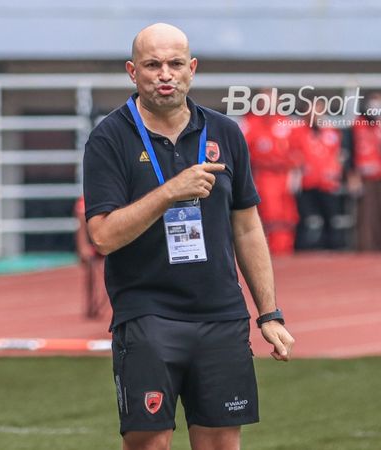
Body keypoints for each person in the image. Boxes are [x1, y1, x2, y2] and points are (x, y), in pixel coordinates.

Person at [83, 23, 294, 450]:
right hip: (147, 314)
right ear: (132, 71)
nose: (165, 74)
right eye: (152, 64)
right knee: (150, 443)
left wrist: (269, 314)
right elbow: (103, 237)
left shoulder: (225, 133)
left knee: (221, 443)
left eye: (175, 63)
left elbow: (248, 226)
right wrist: (170, 192)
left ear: (192, 69)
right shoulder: (110, 138)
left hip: (221, 313)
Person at [241, 92, 301, 255]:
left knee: (288, 214)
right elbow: (242, 150)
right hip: (265, 174)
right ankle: (272, 251)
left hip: (285, 174)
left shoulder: (286, 122)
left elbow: (297, 149)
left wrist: (295, 174)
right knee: (270, 212)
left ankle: (285, 249)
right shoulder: (251, 122)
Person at [293, 99, 345, 250]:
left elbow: (338, 154)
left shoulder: (331, 130)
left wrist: (336, 172)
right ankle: (302, 251)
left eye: (319, 109)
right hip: (306, 182)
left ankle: (332, 250)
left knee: (331, 219)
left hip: (327, 182)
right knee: (304, 219)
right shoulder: (298, 131)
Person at [347, 94, 381, 252]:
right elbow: (351, 151)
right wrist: (353, 176)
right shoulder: (358, 124)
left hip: (380, 175)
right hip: (363, 176)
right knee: (366, 215)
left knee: (380, 212)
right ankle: (366, 248)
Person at [75, 196, 108, 319]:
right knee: (90, 265)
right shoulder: (84, 199)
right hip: (94, 241)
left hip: (110, 239)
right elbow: (80, 223)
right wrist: (83, 246)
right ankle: (91, 305)